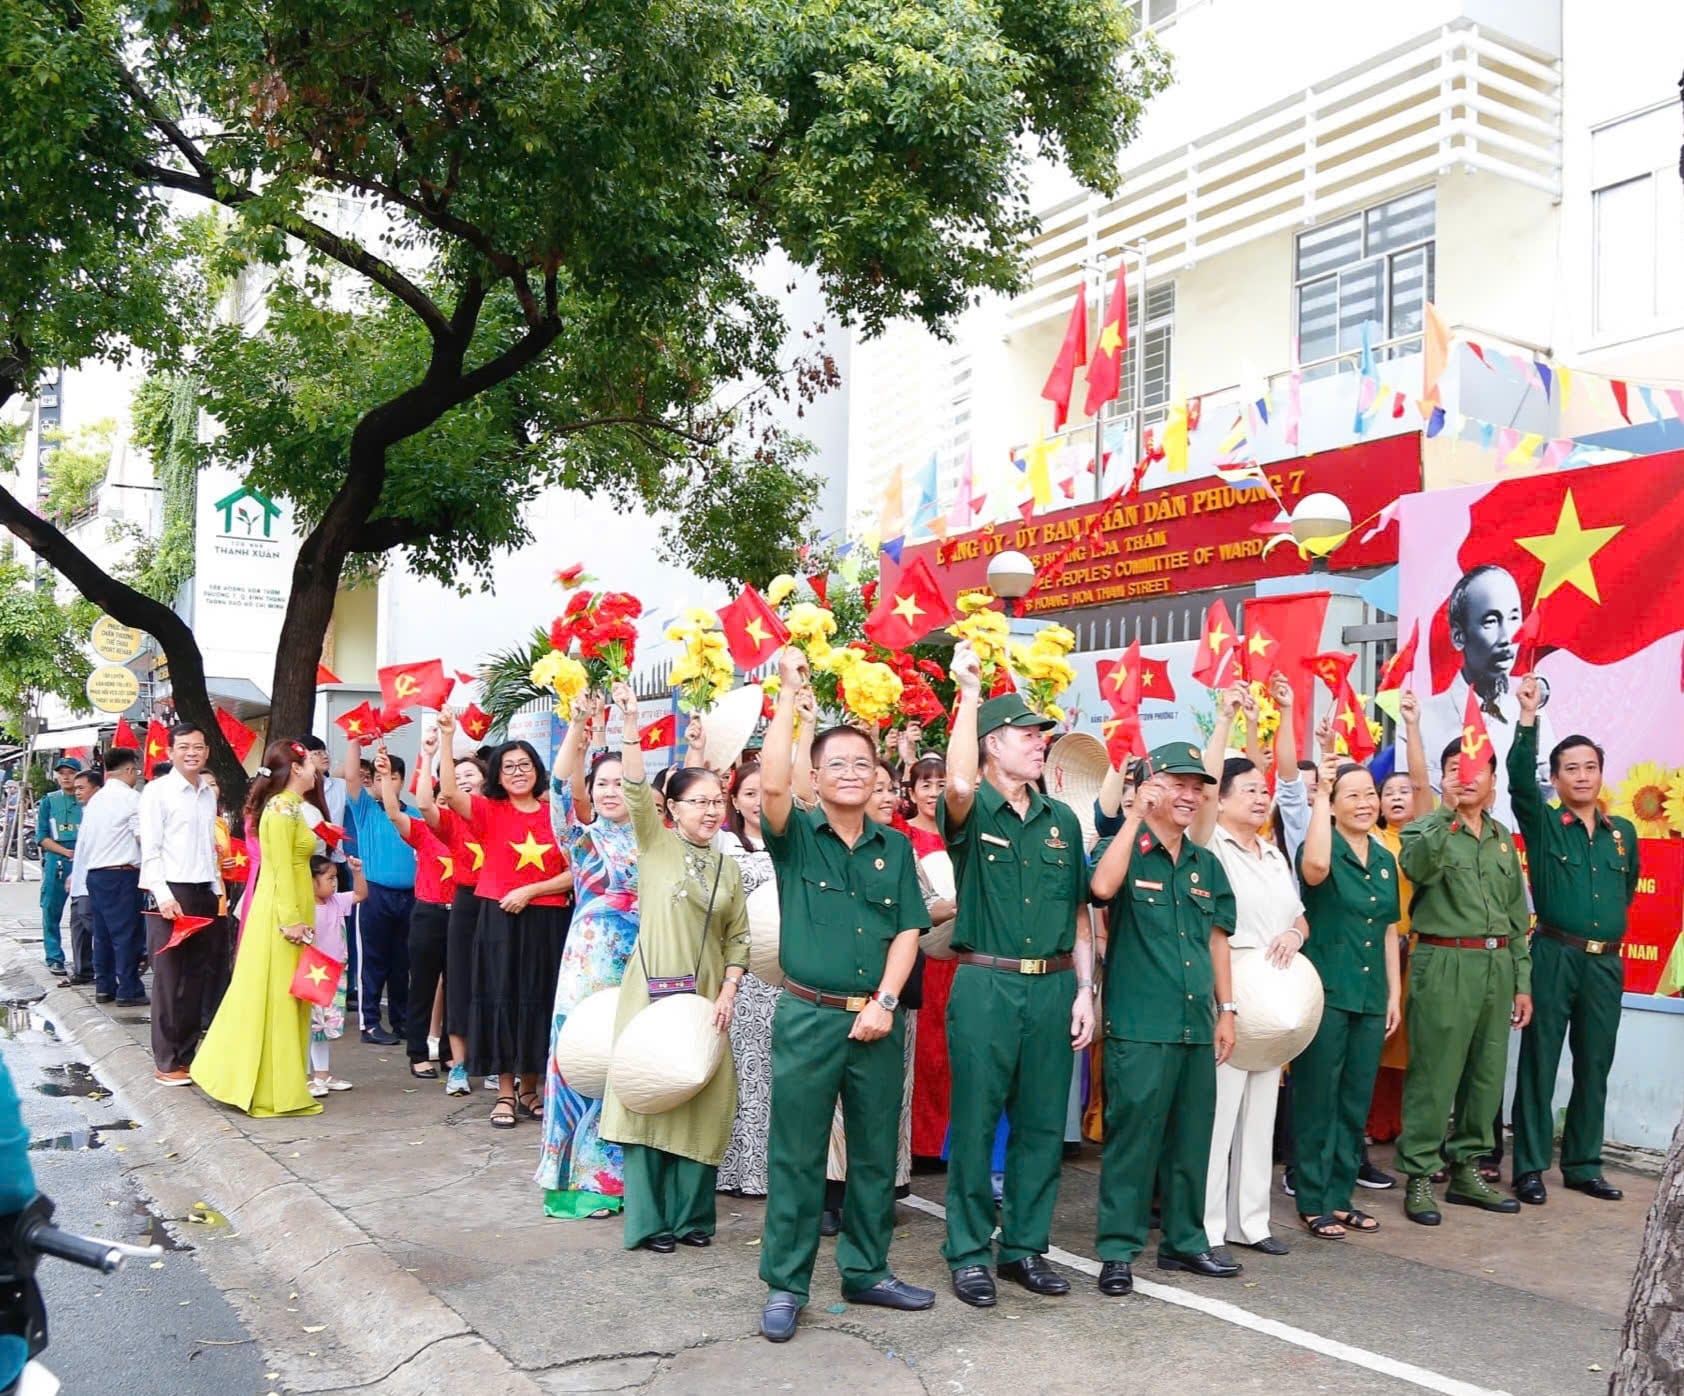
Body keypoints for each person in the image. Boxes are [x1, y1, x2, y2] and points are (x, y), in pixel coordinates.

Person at [756, 646, 932, 1343]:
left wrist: (887, 1003)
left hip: (876, 1022)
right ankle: (784, 1284)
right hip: (807, 1016)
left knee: (871, 1157)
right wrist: (786, 702)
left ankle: (867, 1271)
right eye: (838, 764)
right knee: (796, 1155)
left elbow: (908, 929)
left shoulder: (896, 847)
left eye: (865, 763)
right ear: (816, 776)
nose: (853, 773)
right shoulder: (796, 836)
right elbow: (771, 787)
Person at [939, 642, 1092, 1309]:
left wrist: (1087, 990)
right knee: (975, 1124)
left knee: (1038, 1128)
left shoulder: (1062, 819)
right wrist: (969, 693)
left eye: (1041, 735)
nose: (1040, 744)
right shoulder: (972, 811)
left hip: (1056, 983)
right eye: (1028, 735)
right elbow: (954, 786)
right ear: (991, 745)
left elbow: (1082, 917)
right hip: (986, 982)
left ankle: (1024, 1248)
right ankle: (969, 1252)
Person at [599, 680, 750, 1251]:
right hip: (649, 997)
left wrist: (730, 989)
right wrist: (631, 723)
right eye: (698, 802)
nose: (711, 811)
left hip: (707, 997)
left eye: (718, 801)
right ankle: (649, 1222)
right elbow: (637, 789)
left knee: (702, 1102)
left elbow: (738, 935)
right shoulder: (655, 844)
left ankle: (692, 1220)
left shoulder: (729, 866)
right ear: (674, 809)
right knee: (647, 1099)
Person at [1088, 742, 1240, 1296]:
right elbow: (1102, 889)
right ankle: (1118, 1250)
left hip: (1195, 1024)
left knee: (1191, 1138)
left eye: (1198, 788)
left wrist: (1227, 1011)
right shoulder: (1124, 848)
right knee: (1133, 1141)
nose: (1190, 795)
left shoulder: (1206, 865)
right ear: (1151, 785)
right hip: (1139, 1024)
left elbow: (1218, 942)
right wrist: (1132, 818)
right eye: (1179, 783)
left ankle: (1185, 1241)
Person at [1508, 678, 1634, 1206]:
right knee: (1540, 1060)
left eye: (1590, 767)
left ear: (1601, 774)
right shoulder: (1544, 825)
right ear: (1556, 778)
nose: (1582, 776)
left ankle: (1583, 1163)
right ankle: (1531, 1166)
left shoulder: (1622, 831)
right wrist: (1529, 718)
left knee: (1595, 1063)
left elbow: (1624, 891)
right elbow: (1517, 781)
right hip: (1554, 956)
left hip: (1604, 965)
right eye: (1571, 768)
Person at [1396, 738, 1533, 1225]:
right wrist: (1445, 812)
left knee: (1486, 1074)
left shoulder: (1500, 839)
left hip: (1495, 966)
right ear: (1445, 777)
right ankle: (1418, 1174)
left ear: (1493, 781)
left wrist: (1522, 981)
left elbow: (1517, 918)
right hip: (1445, 959)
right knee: (1435, 1073)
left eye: (1477, 769)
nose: (1467, 776)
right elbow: (1416, 868)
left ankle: (1468, 1169)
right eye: (1456, 767)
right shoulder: (1425, 830)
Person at [1194, 691, 1308, 1261]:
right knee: (1219, 1114)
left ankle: (1251, 1222)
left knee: (1262, 1111)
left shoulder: (1272, 854)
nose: (1263, 798)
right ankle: (1208, 1229)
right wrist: (1226, 721)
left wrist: (1294, 933)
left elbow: (1298, 915)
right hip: (1230, 986)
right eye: (1253, 790)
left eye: (1267, 791)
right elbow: (1206, 788)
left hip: (1276, 994)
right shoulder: (1210, 843)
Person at [436, 708, 571, 1128]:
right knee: (499, 999)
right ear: (497, 773)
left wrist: (531, 891)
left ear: (538, 770)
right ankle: (506, 1092)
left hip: (546, 918)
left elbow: (575, 870)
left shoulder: (557, 812)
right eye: (508, 766)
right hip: (498, 919)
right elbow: (448, 791)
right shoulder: (487, 810)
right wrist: (445, 738)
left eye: (525, 765)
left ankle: (532, 1088)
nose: (517, 772)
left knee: (538, 1001)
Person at [536, 691, 641, 1217]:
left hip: (640, 964)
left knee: (631, 1066)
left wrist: (628, 721)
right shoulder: (581, 840)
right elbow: (557, 786)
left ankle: (626, 1177)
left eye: (621, 783)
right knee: (583, 1063)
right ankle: (581, 1180)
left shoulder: (653, 839)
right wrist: (578, 725)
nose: (610, 791)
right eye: (601, 783)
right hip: (589, 964)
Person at [1293, 755, 1402, 1240]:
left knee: (1354, 1100)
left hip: (1371, 995)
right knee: (1318, 1096)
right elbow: (1314, 871)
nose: (1365, 803)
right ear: (1334, 805)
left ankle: (1341, 1197)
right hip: (1328, 992)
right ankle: (1312, 1199)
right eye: (1352, 795)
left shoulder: (1382, 858)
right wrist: (1319, 795)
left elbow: (1386, 932)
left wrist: (1394, 995)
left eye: (1369, 794)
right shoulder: (1321, 845)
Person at [190, 741, 327, 1118]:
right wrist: (291, 920)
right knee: (278, 998)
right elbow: (280, 867)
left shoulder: (292, 808)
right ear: (297, 768)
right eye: (311, 760)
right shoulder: (282, 810)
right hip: (282, 914)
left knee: (283, 997)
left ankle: (275, 1083)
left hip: (290, 909)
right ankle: (271, 1090)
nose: (317, 766)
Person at [1417, 565, 1556, 826]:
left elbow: (1546, 790)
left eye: (1514, 618)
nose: (1506, 636)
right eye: (1491, 621)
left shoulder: (1530, 711)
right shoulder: (1421, 719)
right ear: (1459, 636)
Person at [139, 724, 224, 1085]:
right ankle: (166, 1061)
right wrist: (163, 895)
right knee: (169, 979)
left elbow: (208, 847)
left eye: (199, 747)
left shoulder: (207, 793)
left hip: (204, 890)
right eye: (184, 747)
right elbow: (151, 849)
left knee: (196, 978)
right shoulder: (157, 792)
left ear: (207, 751)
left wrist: (217, 889)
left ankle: (187, 1056)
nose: (192, 753)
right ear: (170, 752)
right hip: (171, 893)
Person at [372, 742, 456, 1080]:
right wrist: (385, 779)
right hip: (428, 914)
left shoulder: (470, 834)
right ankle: (418, 1052)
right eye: (439, 801)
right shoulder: (422, 831)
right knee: (422, 984)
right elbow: (394, 813)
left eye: (450, 801)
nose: (444, 806)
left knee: (457, 987)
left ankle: (452, 1053)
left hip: (462, 916)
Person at [718, 757, 780, 1198]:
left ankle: (780, 1169)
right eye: (749, 793)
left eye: (766, 792)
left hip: (790, 976)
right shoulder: (724, 847)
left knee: (783, 1074)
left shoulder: (796, 844)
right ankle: (743, 1171)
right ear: (735, 801)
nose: (758, 802)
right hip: (742, 975)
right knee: (745, 1073)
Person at [340, 735, 417, 1043]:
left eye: (394, 777)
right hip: (374, 894)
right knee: (373, 960)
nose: (388, 783)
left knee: (403, 962)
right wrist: (355, 740)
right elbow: (350, 775)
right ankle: (369, 1022)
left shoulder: (415, 815)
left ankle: (400, 1020)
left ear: (402, 780)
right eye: (383, 777)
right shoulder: (366, 810)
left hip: (409, 896)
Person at [903, 754, 957, 1166]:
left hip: (963, 958)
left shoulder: (963, 833)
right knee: (924, 1053)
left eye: (942, 784)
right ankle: (921, 1144)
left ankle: (950, 1141)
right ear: (911, 791)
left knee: (956, 1051)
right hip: (922, 957)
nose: (933, 793)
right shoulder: (902, 837)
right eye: (926, 784)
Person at [424, 749, 486, 1095]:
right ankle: (459, 1066)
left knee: (495, 983)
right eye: (457, 775)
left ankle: (494, 1063)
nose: (463, 780)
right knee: (459, 982)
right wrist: (434, 748)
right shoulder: (452, 820)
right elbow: (427, 803)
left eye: (470, 774)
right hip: (464, 903)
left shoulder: (500, 814)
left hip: (498, 903)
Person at [78, 748, 146, 1009]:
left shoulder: (96, 799)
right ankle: (129, 989)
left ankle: (104, 986)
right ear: (129, 770)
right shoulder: (131, 799)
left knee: (103, 934)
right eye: (135, 772)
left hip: (96, 874)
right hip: (121, 875)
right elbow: (141, 836)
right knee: (126, 934)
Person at [307, 853, 367, 1096]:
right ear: (312, 881)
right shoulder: (304, 907)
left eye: (335, 878)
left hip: (335, 971)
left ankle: (322, 1075)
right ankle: (306, 1078)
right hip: (311, 972)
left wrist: (356, 872)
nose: (334, 883)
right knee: (310, 1026)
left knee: (325, 1027)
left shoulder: (335, 902)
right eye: (329, 878)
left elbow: (361, 894)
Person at [35, 758, 81, 976]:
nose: (65, 777)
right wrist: (64, 852)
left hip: (84, 859)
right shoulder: (49, 801)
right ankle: (54, 957)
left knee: (85, 914)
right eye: (61, 773)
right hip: (57, 858)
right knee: (51, 910)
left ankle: (84, 962)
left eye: (70, 772)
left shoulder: (87, 800)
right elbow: (41, 836)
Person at [64, 767, 102, 985]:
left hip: (92, 882)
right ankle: (83, 970)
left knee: (92, 923)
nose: (77, 792)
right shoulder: (86, 812)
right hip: (79, 880)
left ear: (95, 789)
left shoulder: (100, 813)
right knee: (77, 925)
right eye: (76, 788)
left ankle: (115, 963)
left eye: (81, 788)